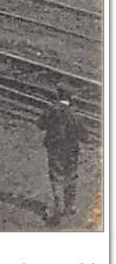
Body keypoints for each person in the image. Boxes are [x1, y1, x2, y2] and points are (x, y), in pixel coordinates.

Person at [38, 85, 87, 225]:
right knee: (71, 176)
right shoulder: (75, 114)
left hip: (54, 149)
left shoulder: (50, 110)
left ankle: (58, 209)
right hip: (71, 151)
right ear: (71, 98)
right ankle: (70, 206)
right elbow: (84, 135)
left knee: (56, 177)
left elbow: (40, 125)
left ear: (58, 96)